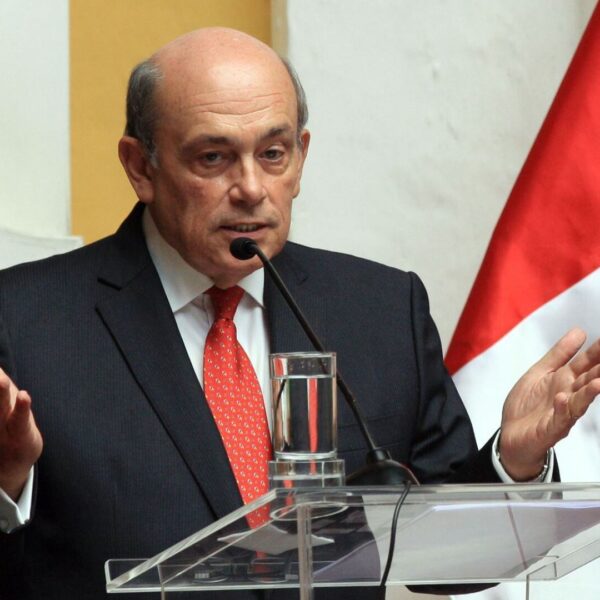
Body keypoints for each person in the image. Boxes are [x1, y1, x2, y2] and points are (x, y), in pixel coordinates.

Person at [1, 27, 599, 600]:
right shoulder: (24, 323)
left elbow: (449, 561)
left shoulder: (381, 311)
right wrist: (5, 486)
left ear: (301, 156)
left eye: (273, 154)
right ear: (140, 167)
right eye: (213, 157)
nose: (251, 187)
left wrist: (514, 464)